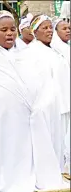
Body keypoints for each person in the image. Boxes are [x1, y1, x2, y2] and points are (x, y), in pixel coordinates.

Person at [0, 10, 66, 192]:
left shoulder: (29, 56)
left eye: (12, 29)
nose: (9, 33)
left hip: (27, 117)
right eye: (4, 30)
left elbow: (40, 83)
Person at [26, 14, 70, 173]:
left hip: (63, 102)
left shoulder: (54, 48)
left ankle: (60, 168)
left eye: (50, 27)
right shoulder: (33, 51)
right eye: (44, 28)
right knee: (51, 139)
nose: (49, 31)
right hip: (48, 105)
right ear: (35, 32)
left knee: (61, 140)